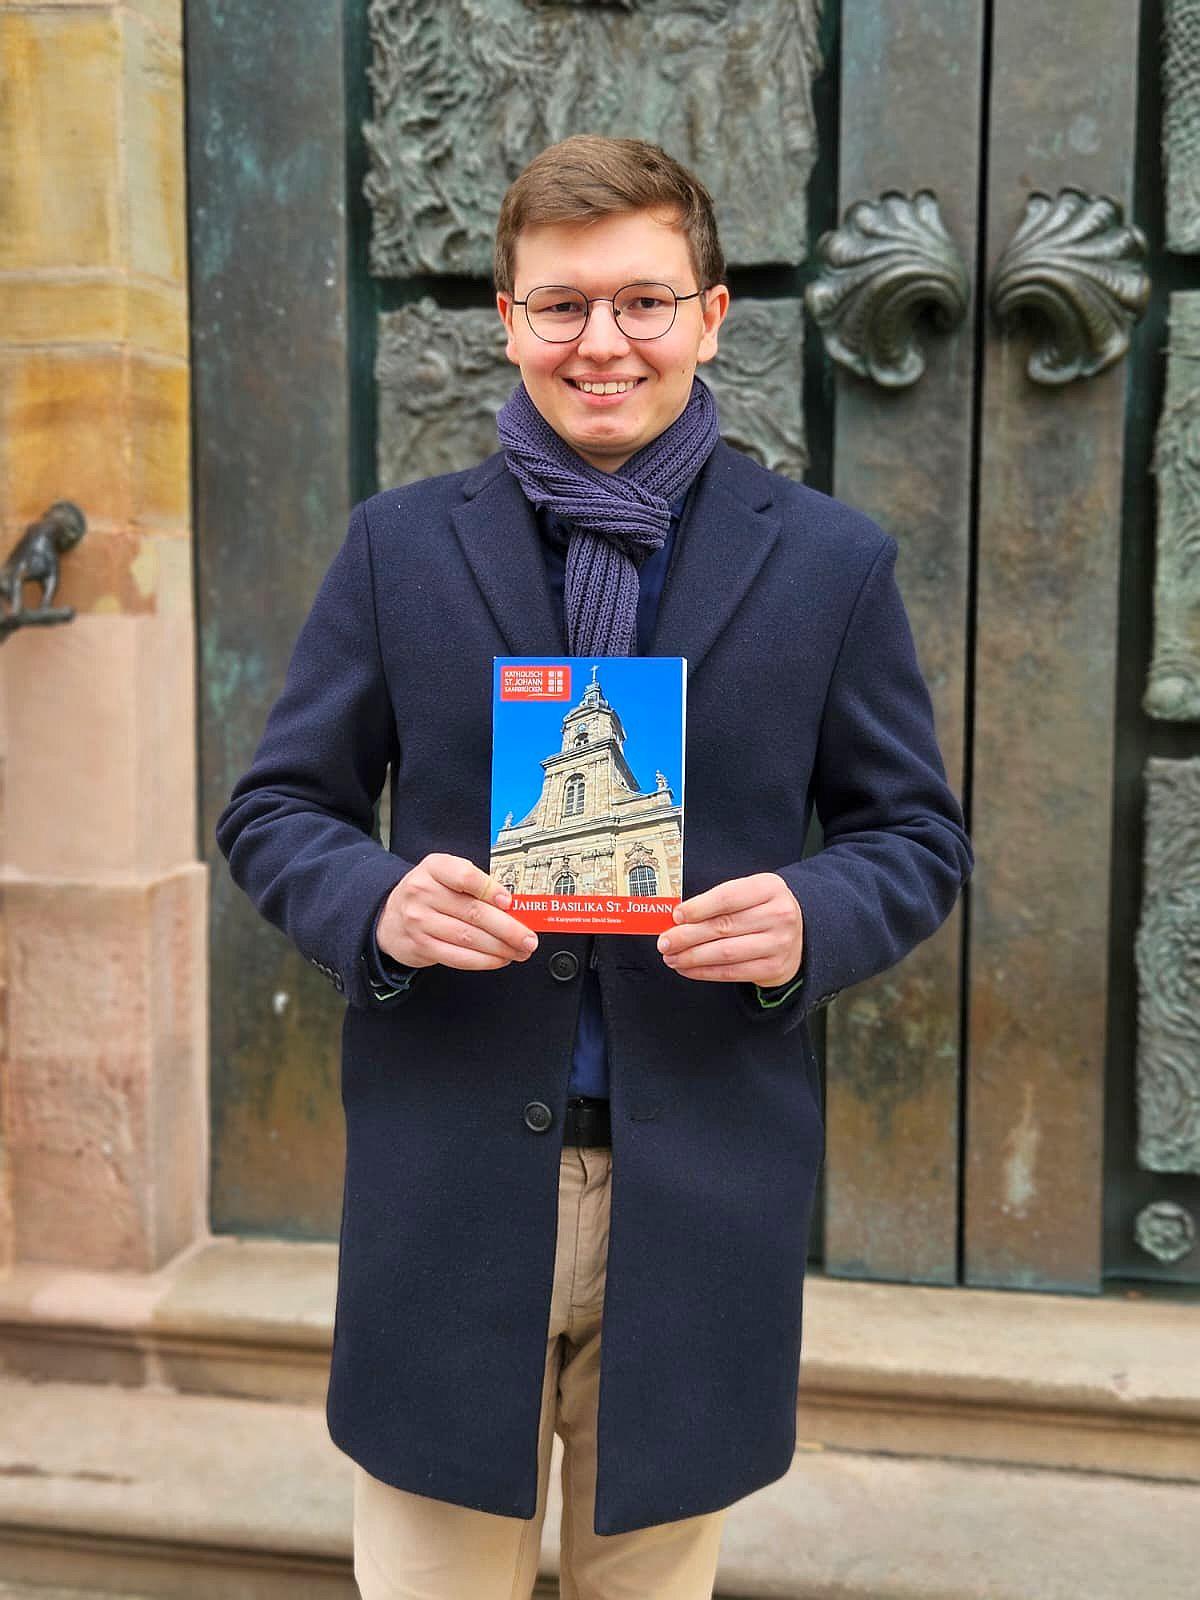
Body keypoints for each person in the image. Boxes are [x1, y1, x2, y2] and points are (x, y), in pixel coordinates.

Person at [217, 134, 972, 1600]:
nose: (602, 343)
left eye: (642, 300)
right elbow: (276, 810)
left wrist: (813, 914)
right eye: (561, 306)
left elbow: (915, 838)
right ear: (505, 320)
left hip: (697, 1191)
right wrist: (378, 897)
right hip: (447, 1183)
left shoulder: (829, 563)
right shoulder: (396, 549)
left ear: (711, 314)